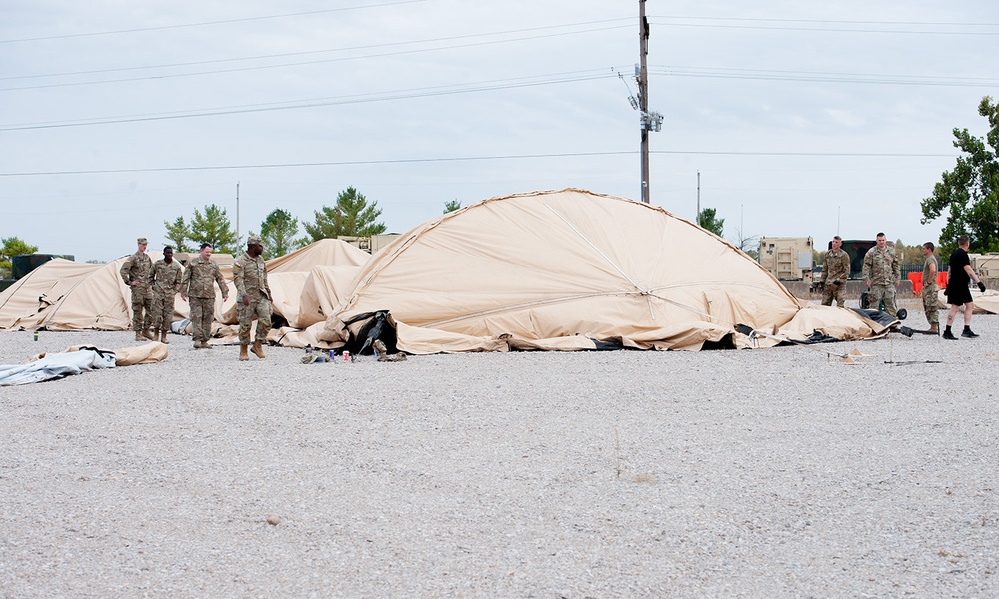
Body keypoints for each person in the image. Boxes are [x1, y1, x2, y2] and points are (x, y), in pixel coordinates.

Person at [180, 243, 229, 349]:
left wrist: (225, 292)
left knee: (208, 318)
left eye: (210, 252)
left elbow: (220, 279)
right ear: (201, 251)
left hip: (209, 296)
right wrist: (183, 292)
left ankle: (204, 340)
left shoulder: (214, 265)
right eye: (207, 252)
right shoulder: (193, 264)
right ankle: (197, 339)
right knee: (196, 317)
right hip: (195, 296)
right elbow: (185, 278)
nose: (209, 254)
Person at [233, 235, 272, 361]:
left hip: (261, 296)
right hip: (247, 298)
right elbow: (238, 280)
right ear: (252, 246)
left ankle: (257, 345)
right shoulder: (241, 261)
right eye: (259, 245)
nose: (262, 248)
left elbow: (264, 278)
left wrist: (269, 294)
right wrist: (244, 295)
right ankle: (243, 350)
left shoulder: (261, 261)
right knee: (245, 325)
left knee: (266, 321)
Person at [942, 235, 987, 339]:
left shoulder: (954, 254)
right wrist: (979, 282)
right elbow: (968, 269)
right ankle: (947, 331)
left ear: (959, 243)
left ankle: (966, 329)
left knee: (970, 305)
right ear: (968, 244)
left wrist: (948, 284)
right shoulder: (963, 255)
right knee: (955, 307)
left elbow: (950, 270)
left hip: (957, 285)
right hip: (959, 285)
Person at [120, 237, 155, 341]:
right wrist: (130, 282)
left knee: (152, 310)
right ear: (138, 244)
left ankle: (146, 330)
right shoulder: (133, 258)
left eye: (145, 245)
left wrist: (152, 283)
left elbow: (151, 271)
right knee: (138, 311)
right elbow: (123, 271)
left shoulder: (147, 258)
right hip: (138, 290)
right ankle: (138, 333)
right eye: (142, 244)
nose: (144, 247)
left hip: (147, 288)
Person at [861, 232, 901, 316]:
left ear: (885, 240)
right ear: (877, 241)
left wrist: (898, 278)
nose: (881, 242)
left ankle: (892, 324)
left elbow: (896, 266)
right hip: (876, 283)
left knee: (891, 305)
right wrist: (866, 278)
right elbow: (866, 266)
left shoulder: (891, 252)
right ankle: (874, 324)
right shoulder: (871, 252)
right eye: (880, 240)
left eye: (883, 240)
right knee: (873, 306)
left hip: (889, 283)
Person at [149, 246, 183, 343]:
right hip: (158, 294)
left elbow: (178, 281)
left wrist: (174, 291)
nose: (169, 255)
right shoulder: (158, 264)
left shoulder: (176, 266)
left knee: (168, 316)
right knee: (157, 315)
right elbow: (150, 276)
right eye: (167, 253)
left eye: (171, 253)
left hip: (169, 295)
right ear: (164, 254)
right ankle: (156, 334)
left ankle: (164, 336)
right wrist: (154, 287)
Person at [820, 235, 850, 307]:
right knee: (824, 305)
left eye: (836, 242)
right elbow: (825, 269)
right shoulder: (828, 254)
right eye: (833, 242)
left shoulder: (844, 255)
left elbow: (847, 271)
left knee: (840, 305)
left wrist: (839, 280)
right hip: (829, 284)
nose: (834, 244)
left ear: (840, 244)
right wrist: (822, 280)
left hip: (839, 284)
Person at [920, 242, 940, 334]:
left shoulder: (930, 259)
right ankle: (932, 326)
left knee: (931, 306)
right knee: (928, 306)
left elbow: (932, 270)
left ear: (929, 250)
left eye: (924, 249)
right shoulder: (929, 259)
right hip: (929, 287)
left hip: (930, 287)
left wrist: (928, 281)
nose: (922, 250)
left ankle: (934, 326)